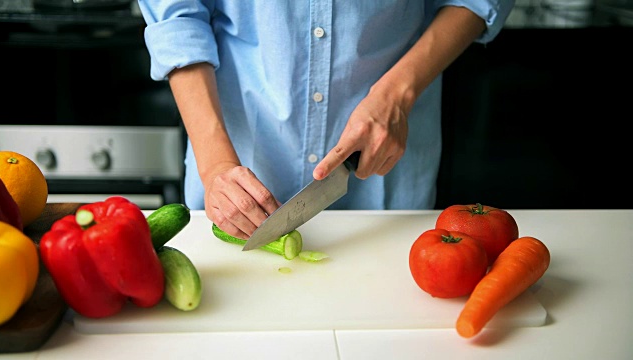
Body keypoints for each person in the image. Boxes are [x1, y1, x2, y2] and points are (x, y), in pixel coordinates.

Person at [138, 1, 514, 240]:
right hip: (240, 151)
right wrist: (216, 162)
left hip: (389, 169)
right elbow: (176, 16)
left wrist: (397, 94)